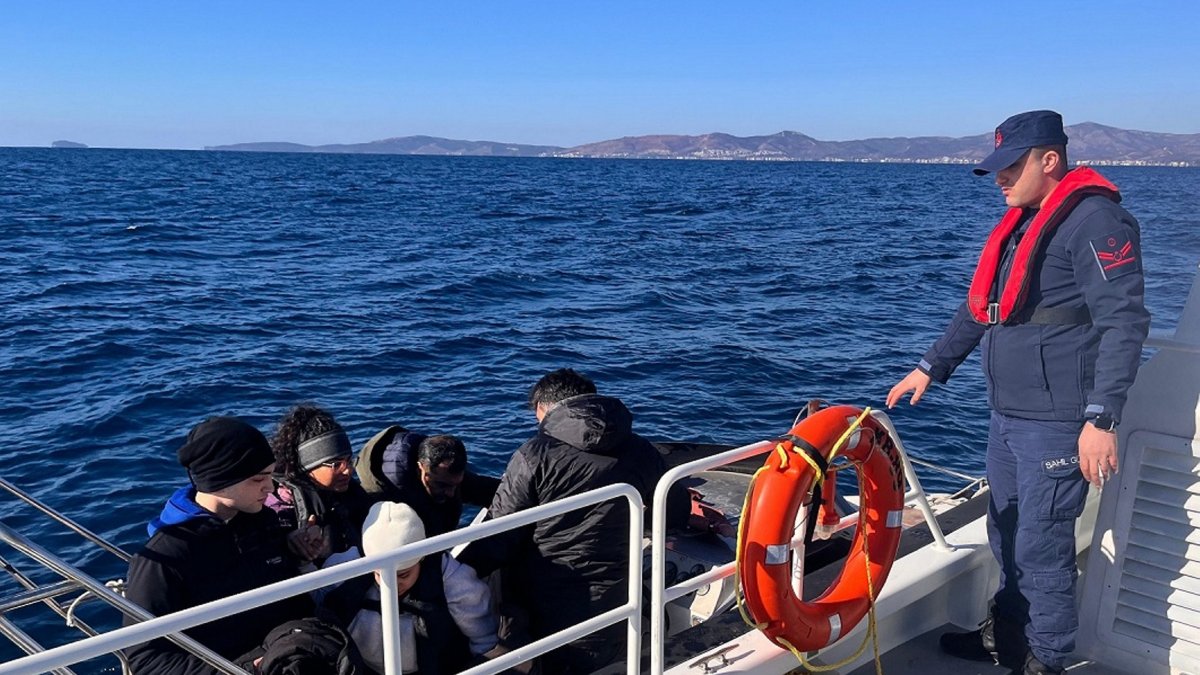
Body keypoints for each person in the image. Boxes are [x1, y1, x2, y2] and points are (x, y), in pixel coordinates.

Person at [886, 110, 1150, 675]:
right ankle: (1007, 640)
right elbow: (984, 304)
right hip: (1008, 415)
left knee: (1043, 547)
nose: (1000, 178)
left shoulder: (1096, 222)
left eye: (1011, 166)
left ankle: (1045, 661)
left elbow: (1124, 324)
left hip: (1058, 420)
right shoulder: (1028, 223)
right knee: (1004, 531)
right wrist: (931, 366)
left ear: (1049, 160)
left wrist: (1100, 421)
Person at [457, 368, 669, 673]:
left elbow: (498, 537)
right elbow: (672, 510)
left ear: (545, 409)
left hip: (548, 616)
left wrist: (451, 573)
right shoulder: (644, 451)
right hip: (618, 610)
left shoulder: (534, 456)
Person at [124, 416, 314, 674]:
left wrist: (294, 551)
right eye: (258, 479)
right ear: (221, 480)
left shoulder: (264, 522)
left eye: (270, 475)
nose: (270, 488)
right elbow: (145, 660)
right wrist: (242, 669)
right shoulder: (163, 557)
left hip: (292, 655)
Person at [322, 500, 498, 674]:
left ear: (421, 560)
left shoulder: (452, 581)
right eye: (379, 574)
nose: (389, 584)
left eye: (403, 575)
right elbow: (317, 601)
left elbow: (483, 639)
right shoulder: (343, 569)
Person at [267, 404, 374, 567]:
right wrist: (289, 543)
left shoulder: (352, 494)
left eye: (349, 461)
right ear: (308, 466)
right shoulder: (279, 508)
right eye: (336, 464)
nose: (348, 471)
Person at [356, 428, 499, 536]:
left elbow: (488, 491)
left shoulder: (443, 474)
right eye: (442, 485)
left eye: (456, 484)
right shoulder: (382, 498)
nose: (450, 493)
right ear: (420, 468)